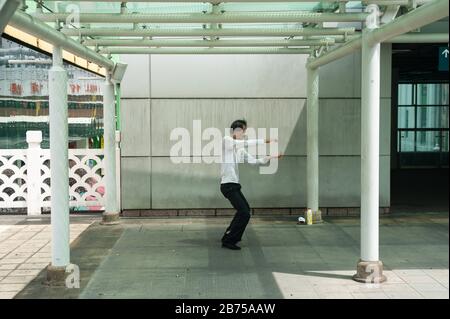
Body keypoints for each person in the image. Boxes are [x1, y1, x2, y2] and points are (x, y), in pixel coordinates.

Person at [220, 119, 282, 250]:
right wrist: (264, 141)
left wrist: (271, 157)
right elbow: (243, 143)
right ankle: (229, 240)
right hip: (227, 185)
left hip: (234, 185)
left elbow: (254, 161)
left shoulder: (239, 149)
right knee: (244, 212)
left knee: (245, 211)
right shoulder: (227, 140)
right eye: (243, 131)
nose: (244, 134)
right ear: (236, 130)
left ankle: (228, 235)